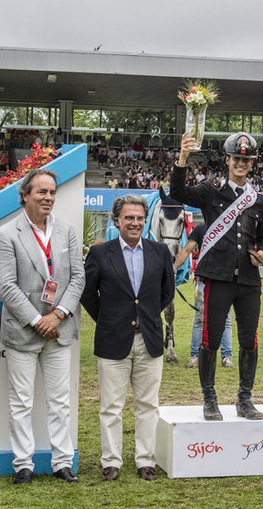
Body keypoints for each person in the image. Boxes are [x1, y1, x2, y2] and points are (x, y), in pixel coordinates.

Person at [171, 131, 263, 421]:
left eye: (246, 159)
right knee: (211, 339)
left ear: (252, 163)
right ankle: (209, 399)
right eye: (236, 158)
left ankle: (245, 399)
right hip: (218, 277)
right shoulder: (209, 192)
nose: (241, 163)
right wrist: (182, 158)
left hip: (249, 281)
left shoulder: (259, 202)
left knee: (249, 340)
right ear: (227, 160)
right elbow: (178, 193)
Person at [0, 169, 85, 484]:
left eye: (52, 192)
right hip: (23, 331)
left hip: (59, 329)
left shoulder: (68, 230)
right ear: (25, 196)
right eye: (41, 192)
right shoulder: (7, 234)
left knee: (59, 400)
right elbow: (6, 287)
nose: (48, 198)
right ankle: (23, 465)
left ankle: (62, 462)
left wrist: (57, 315)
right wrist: (38, 321)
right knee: (21, 401)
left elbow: (77, 278)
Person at [81, 195, 174, 481]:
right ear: (117, 220)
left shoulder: (159, 252)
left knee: (148, 404)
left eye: (139, 218)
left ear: (145, 221)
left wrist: (144, 317)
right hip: (112, 340)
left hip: (149, 339)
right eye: (129, 218)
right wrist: (110, 320)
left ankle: (146, 460)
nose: (134, 223)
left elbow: (166, 293)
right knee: (111, 406)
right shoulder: (100, 253)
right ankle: (111, 461)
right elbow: (88, 294)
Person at [172, 223, 235, 369]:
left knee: (226, 320)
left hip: (226, 279)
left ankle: (226, 356)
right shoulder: (201, 228)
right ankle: (195, 355)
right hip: (203, 280)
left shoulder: (230, 226)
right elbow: (187, 249)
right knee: (200, 319)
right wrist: (173, 268)